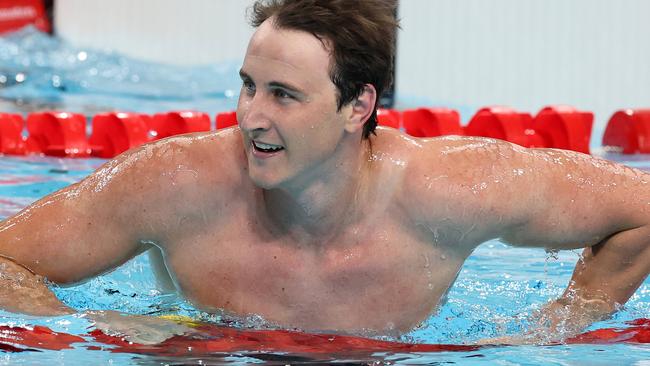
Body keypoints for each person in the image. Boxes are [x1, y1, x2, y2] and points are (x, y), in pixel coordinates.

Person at [0, 0, 648, 342]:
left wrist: (560, 327)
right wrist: (87, 334)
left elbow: (641, 208)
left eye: (282, 95)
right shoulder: (175, 185)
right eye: (247, 86)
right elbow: (6, 263)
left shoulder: (455, 190)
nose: (251, 116)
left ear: (357, 106)